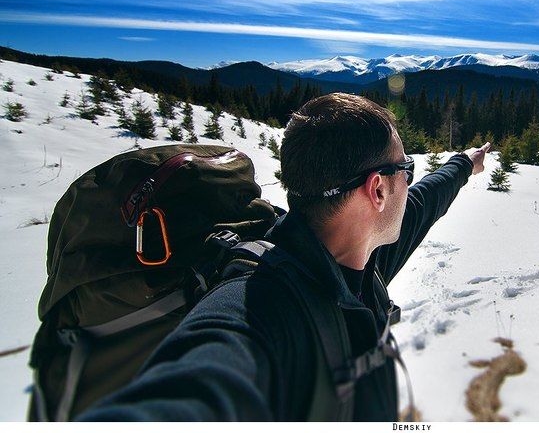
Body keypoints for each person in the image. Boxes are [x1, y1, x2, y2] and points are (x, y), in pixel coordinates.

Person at [77, 92, 489, 421]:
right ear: (378, 190)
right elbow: (197, 389)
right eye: (406, 169)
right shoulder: (254, 308)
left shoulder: (363, 258)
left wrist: (463, 164)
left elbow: (424, 199)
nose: (411, 180)